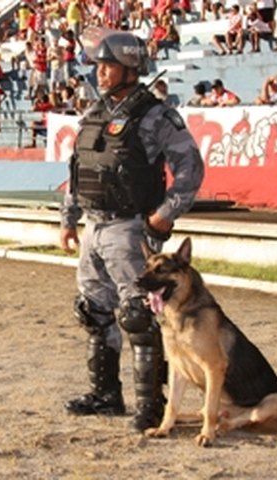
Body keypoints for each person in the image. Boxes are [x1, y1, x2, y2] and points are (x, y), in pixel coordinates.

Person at [59, 31, 205, 432]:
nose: (99, 72)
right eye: (98, 65)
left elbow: (191, 168)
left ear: (130, 67)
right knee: (94, 312)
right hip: (93, 226)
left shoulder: (155, 115)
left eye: (107, 65)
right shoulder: (94, 112)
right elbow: (78, 171)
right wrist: (68, 219)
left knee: (138, 315)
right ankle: (105, 395)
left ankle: (151, 406)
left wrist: (166, 213)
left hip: (130, 230)